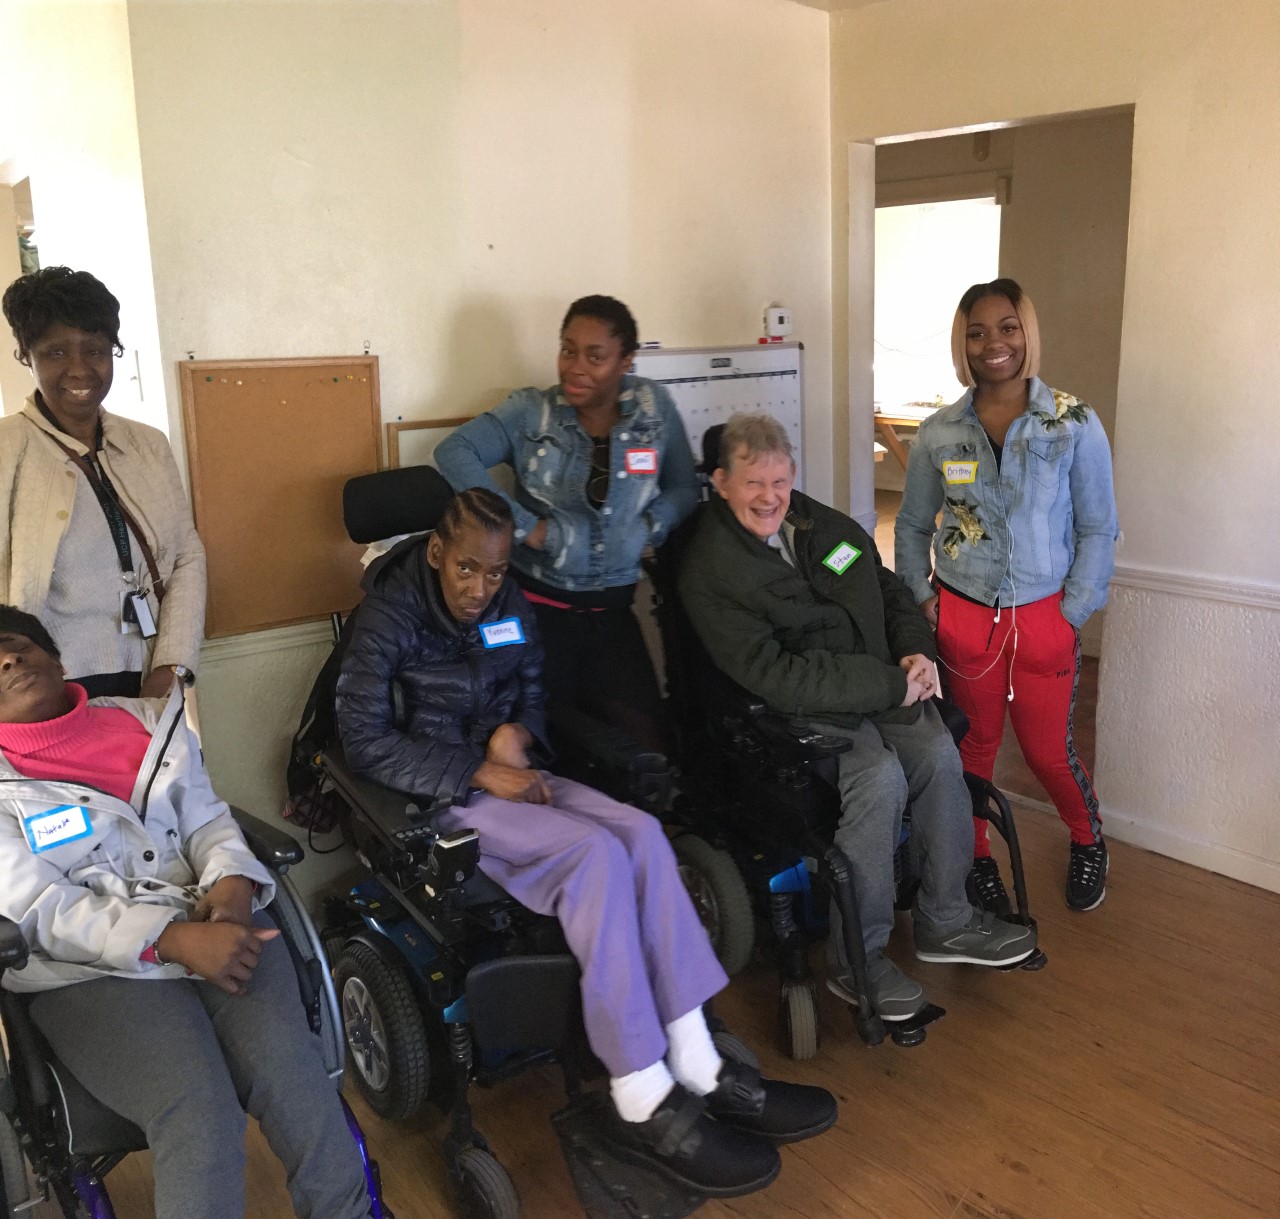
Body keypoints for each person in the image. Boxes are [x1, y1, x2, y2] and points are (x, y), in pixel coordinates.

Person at [336, 487, 836, 1198]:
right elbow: (363, 740)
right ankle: (637, 1085)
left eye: (496, 572)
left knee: (639, 834)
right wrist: (476, 768)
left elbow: (533, 685)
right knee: (595, 856)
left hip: (511, 775)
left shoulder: (505, 603)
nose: (482, 588)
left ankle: (698, 1060)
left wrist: (520, 731)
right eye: (467, 569)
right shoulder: (387, 616)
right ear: (438, 552)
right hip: (441, 798)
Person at [0, 607, 375, 1219]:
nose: (8, 661)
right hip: (87, 972)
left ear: (58, 660)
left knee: (293, 1076)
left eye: (16, 647)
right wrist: (170, 940)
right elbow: (44, 910)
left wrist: (230, 883)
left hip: (214, 919)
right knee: (198, 1113)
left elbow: (207, 820)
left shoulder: (147, 723)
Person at [678, 412, 1039, 1025]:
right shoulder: (712, 568)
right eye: (752, 484)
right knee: (878, 779)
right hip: (796, 712)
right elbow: (778, 676)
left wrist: (913, 651)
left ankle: (944, 921)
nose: (769, 497)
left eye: (780, 482)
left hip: (878, 683)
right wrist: (891, 684)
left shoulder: (818, 525)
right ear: (720, 482)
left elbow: (885, 588)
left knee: (936, 753)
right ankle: (858, 961)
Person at [895, 279, 1118, 913]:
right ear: (962, 345)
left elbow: (1100, 524)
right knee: (972, 746)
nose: (994, 343)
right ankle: (978, 858)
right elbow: (912, 526)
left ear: (1027, 334)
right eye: (977, 331)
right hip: (963, 616)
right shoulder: (940, 433)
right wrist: (920, 596)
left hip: (1047, 615)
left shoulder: (1072, 421)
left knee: (1049, 751)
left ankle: (1087, 839)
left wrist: (1075, 609)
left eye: (1007, 327)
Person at [435, 295, 697, 751]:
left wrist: (648, 527)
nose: (575, 367)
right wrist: (524, 526)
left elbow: (684, 487)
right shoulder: (531, 413)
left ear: (626, 361)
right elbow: (454, 452)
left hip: (613, 614)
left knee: (642, 752)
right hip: (537, 614)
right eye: (567, 350)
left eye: (595, 357)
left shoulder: (654, 410)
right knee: (544, 748)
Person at [0, 267, 206, 699]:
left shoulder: (147, 444)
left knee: (171, 769)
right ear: (27, 355)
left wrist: (173, 663)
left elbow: (186, 555)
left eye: (94, 350)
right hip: (52, 688)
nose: (79, 369)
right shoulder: (7, 450)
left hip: (154, 672)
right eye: (56, 353)